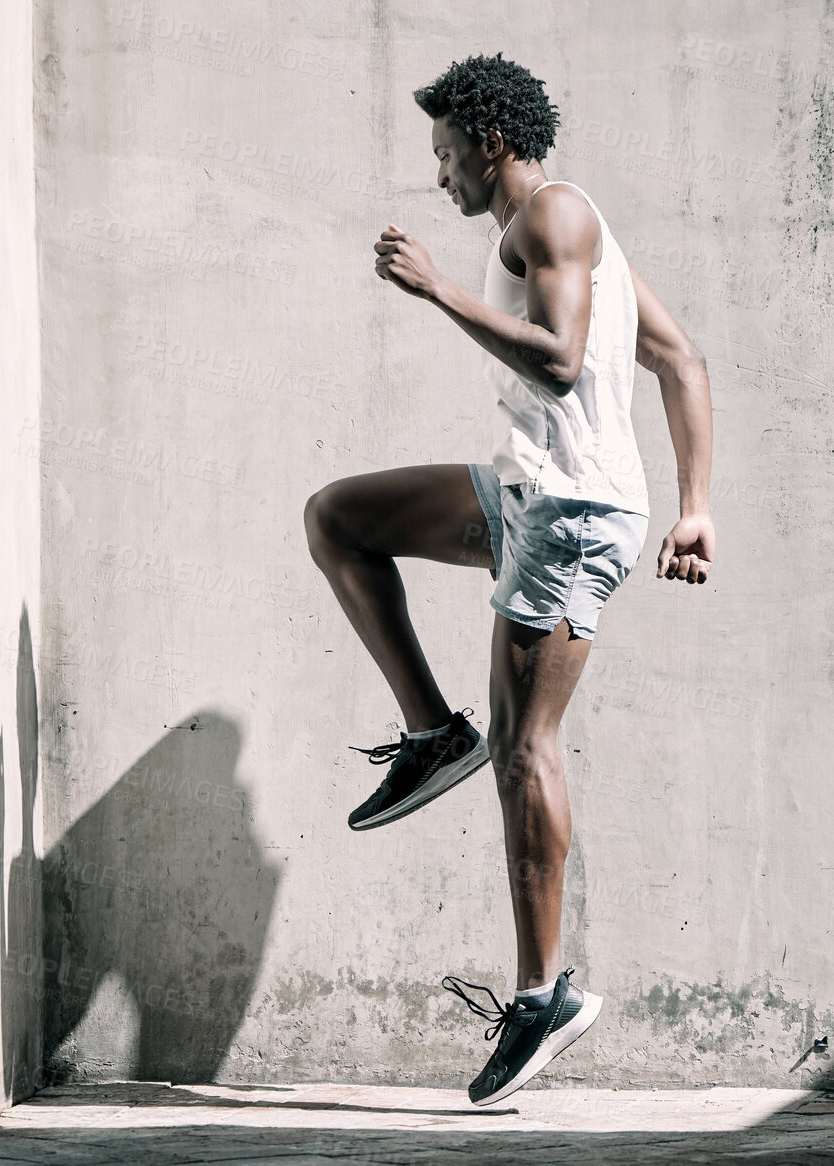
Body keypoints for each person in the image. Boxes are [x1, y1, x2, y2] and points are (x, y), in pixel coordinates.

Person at [303, 52, 715, 1106]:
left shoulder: (554, 222)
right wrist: (696, 506)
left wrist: (439, 287)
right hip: (531, 487)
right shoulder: (578, 232)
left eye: (444, 154)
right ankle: (433, 729)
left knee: (527, 747)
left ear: (490, 140)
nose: (438, 177)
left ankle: (543, 992)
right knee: (340, 517)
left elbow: (565, 362)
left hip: (571, 512)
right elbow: (680, 360)